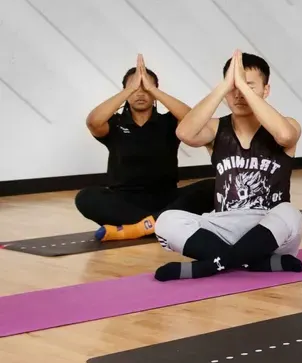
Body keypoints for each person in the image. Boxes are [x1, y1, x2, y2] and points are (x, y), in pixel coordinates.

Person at [152, 51, 302, 281]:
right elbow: (184, 133)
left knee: (290, 213)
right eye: (234, 88)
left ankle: (210, 266)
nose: (240, 94)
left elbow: (285, 136)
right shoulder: (215, 130)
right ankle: (252, 261)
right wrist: (225, 86)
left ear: (266, 90)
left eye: (248, 86)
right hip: (223, 226)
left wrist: (240, 86)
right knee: (166, 221)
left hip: (270, 226)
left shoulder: (287, 124)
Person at [78, 55, 214, 241]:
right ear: (125, 92)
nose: (140, 93)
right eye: (134, 89)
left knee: (214, 186)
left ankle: (138, 228)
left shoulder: (168, 122)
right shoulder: (115, 123)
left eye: (146, 89)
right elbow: (93, 122)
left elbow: (194, 119)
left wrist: (153, 89)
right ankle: (158, 224)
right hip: (124, 201)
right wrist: (129, 90)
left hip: (167, 199)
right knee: (86, 197)